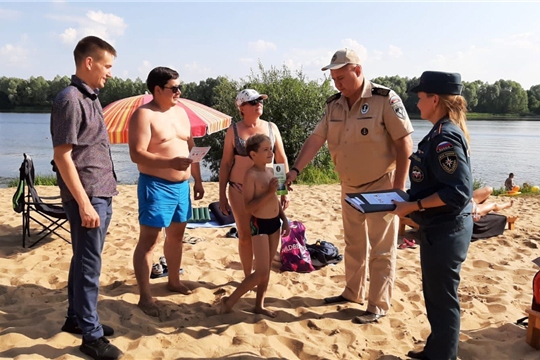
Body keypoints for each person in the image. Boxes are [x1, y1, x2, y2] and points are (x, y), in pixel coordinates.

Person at [285, 48, 414, 324]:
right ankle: (352, 292)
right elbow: (316, 139)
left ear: (358, 70)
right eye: (333, 79)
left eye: (342, 77)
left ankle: (377, 305)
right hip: (349, 187)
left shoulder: (384, 99)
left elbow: (405, 143)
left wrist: (399, 188)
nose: (337, 84)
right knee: (354, 245)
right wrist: (295, 170)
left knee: (381, 249)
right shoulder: (334, 104)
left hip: (382, 185)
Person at [391, 71, 473, 360]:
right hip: (440, 228)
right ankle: (437, 349)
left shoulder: (444, 139)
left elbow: (457, 193)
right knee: (436, 296)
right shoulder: (440, 132)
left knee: (442, 299)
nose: (417, 104)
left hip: (447, 230)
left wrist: (413, 207)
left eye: (421, 98)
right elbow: (436, 183)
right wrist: (407, 199)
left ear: (435, 99)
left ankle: (443, 355)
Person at [50, 36, 123, 360]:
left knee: (82, 259)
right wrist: (82, 203)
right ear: (89, 63)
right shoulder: (70, 99)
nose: (110, 73)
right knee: (90, 266)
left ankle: (76, 318)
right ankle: (91, 337)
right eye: (106, 66)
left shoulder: (90, 97)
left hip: (100, 192)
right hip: (88, 196)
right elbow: (63, 156)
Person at [129, 66, 205, 317]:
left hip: (182, 186)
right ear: (158, 89)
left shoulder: (181, 112)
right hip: (156, 185)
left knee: (176, 236)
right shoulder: (144, 115)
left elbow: (190, 145)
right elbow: (136, 154)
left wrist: (198, 179)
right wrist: (169, 163)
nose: (179, 92)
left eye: (180, 87)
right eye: (174, 88)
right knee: (150, 240)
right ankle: (145, 295)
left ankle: (173, 280)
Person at [218, 89, 289, 279]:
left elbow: (281, 159)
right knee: (245, 235)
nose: (259, 103)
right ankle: (249, 276)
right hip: (239, 188)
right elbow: (225, 163)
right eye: (253, 101)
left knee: (267, 232)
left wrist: (283, 190)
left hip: (268, 188)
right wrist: (221, 194)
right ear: (241, 108)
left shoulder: (271, 128)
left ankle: (261, 275)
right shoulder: (233, 130)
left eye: (260, 100)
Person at [220, 134, 290, 317]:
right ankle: (230, 301)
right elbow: (249, 206)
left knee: (266, 271)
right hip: (259, 224)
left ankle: (259, 304)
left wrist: (285, 219)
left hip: (275, 223)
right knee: (260, 272)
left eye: (271, 148)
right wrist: (268, 191)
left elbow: (275, 199)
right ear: (253, 154)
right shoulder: (250, 175)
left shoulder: (272, 171)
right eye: (265, 150)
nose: (270, 152)